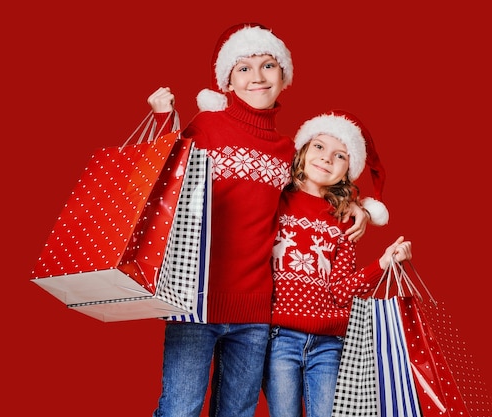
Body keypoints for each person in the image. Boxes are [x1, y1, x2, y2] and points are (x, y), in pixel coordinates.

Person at [146, 24, 370, 417]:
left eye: (268, 65)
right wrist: (166, 118)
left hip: (255, 313)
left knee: (237, 412)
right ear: (227, 80)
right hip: (195, 299)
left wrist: (360, 207)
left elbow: (318, 188)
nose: (257, 77)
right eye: (244, 68)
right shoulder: (207, 127)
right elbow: (162, 179)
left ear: (284, 76)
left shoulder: (287, 151)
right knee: (180, 409)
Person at [262, 110, 412, 417]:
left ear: (348, 171)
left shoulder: (344, 220)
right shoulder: (273, 199)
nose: (326, 159)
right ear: (302, 151)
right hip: (279, 339)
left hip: (329, 343)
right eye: (318, 146)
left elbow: (342, 291)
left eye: (339, 155)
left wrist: (381, 263)